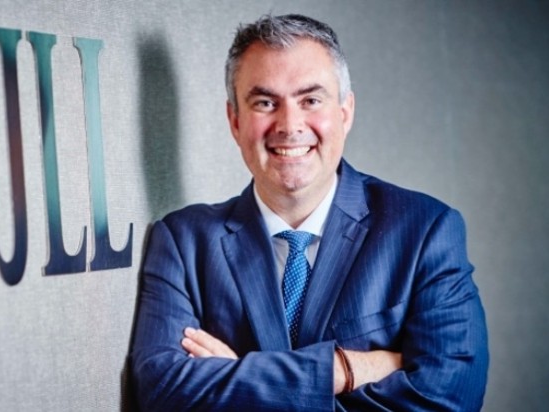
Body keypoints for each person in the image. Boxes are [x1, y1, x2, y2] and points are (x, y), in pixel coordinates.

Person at [129, 14, 488, 411]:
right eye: (265, 103)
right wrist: (342, 369)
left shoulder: (424, 230)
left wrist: (239, 380)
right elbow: (162, 391)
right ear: (235, 121)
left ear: (345, 112)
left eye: (310, 100)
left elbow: (449, 399)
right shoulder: (183, 242)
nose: (289, 125)